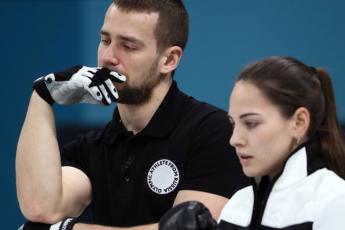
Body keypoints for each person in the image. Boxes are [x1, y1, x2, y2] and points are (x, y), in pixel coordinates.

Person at [16, 0, 249, 229]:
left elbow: (189, 226)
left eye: (128, 46)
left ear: (169, 60)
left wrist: (69, 229)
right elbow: (40, 208)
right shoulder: (93, 148)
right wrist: (42, 97)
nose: (108, 57)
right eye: (105, 40)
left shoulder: (214, 132)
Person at [158, 56, 345, 230]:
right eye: (233, 124)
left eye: (251, 123)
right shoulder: (239, 203)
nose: (234, 140)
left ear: (299, 122)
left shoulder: (335, 201)